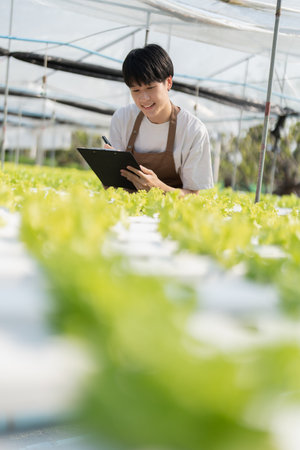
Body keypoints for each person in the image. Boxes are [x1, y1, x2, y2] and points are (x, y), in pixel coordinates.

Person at [105, 44, 214, 195]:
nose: (143, 98)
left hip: (171, 215)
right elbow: (114, 185)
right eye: (136, 90)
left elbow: (193, 197)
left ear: (168, 82)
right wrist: (108, 172)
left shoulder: (193, 130)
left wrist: (158, 189)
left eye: (150, 88)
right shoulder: (122, 118)